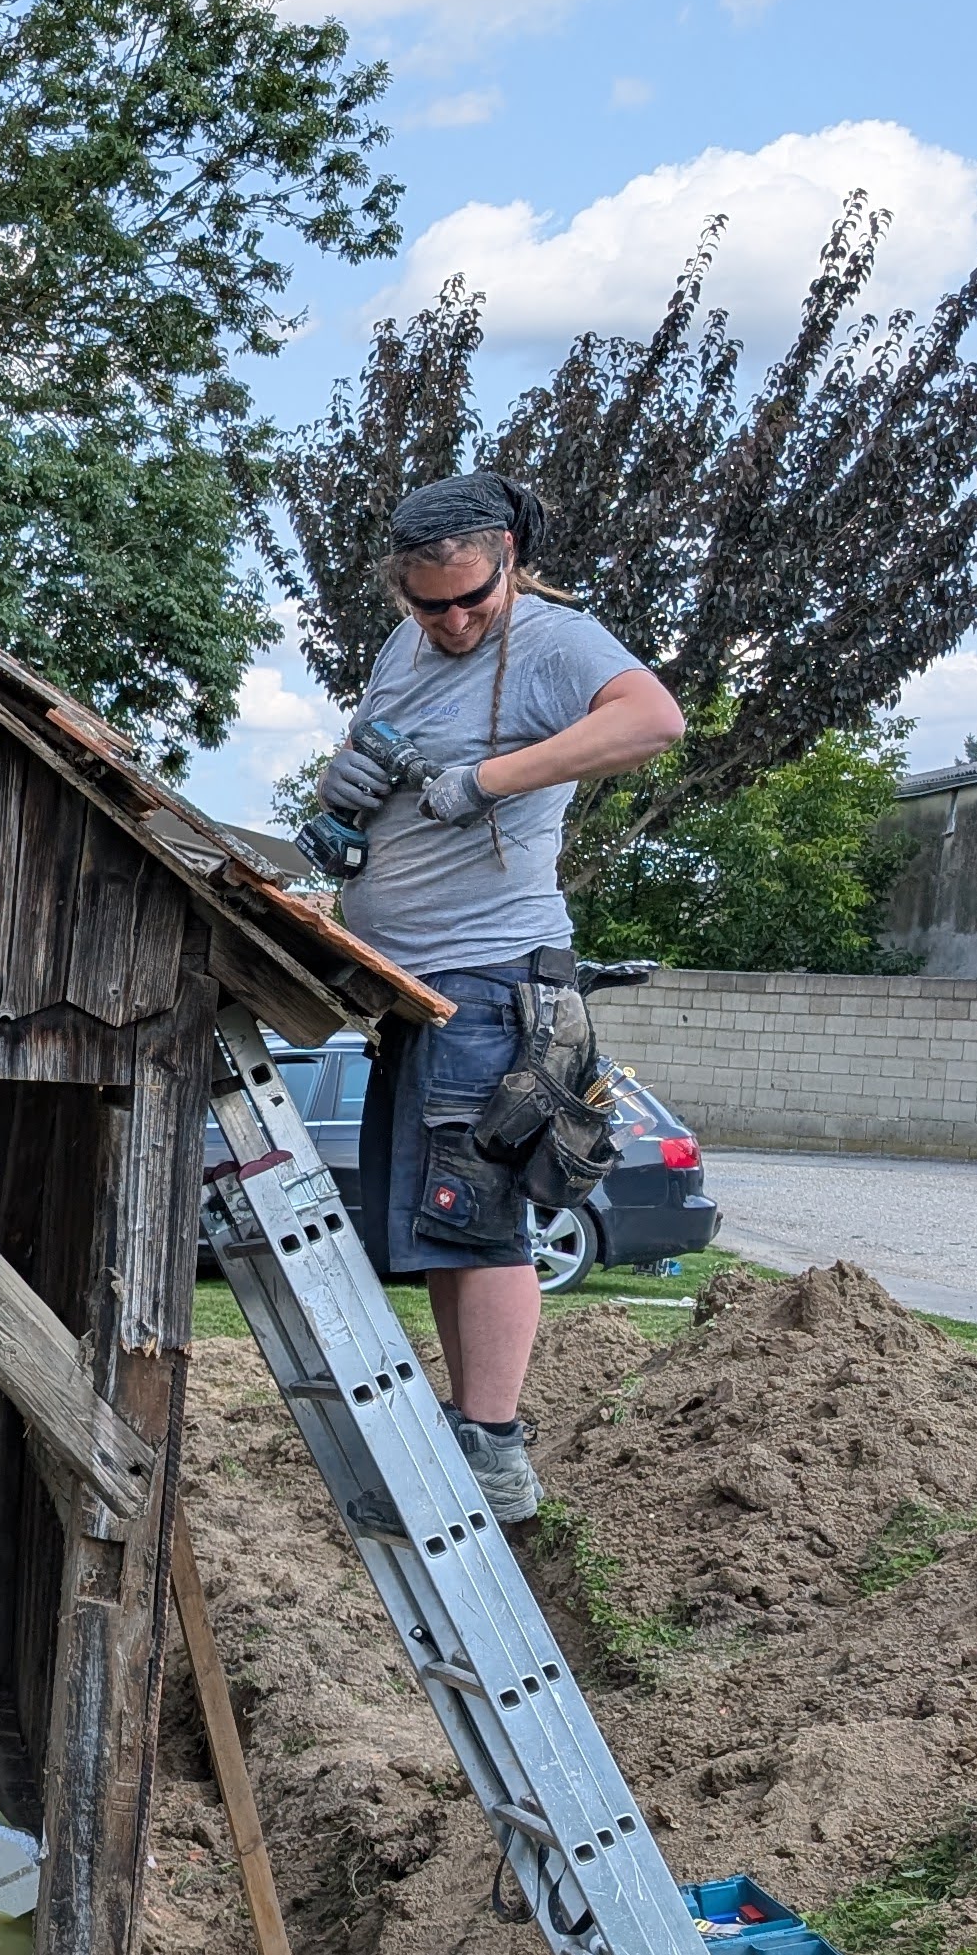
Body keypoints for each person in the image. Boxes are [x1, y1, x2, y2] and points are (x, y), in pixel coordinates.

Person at [315, 471, 683, 1523]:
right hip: (414, 989)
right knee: (444, 1223)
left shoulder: (554, 640)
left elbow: (655, 721)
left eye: (472, 597)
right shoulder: (404, 646)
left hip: (489, 980)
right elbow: (381, 747)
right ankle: (467, 1429)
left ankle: (494, 1449)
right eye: (429, 602)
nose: (454, 620)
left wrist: (490, 779)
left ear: (509, 558)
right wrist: (345, 784)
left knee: (481, 1223)